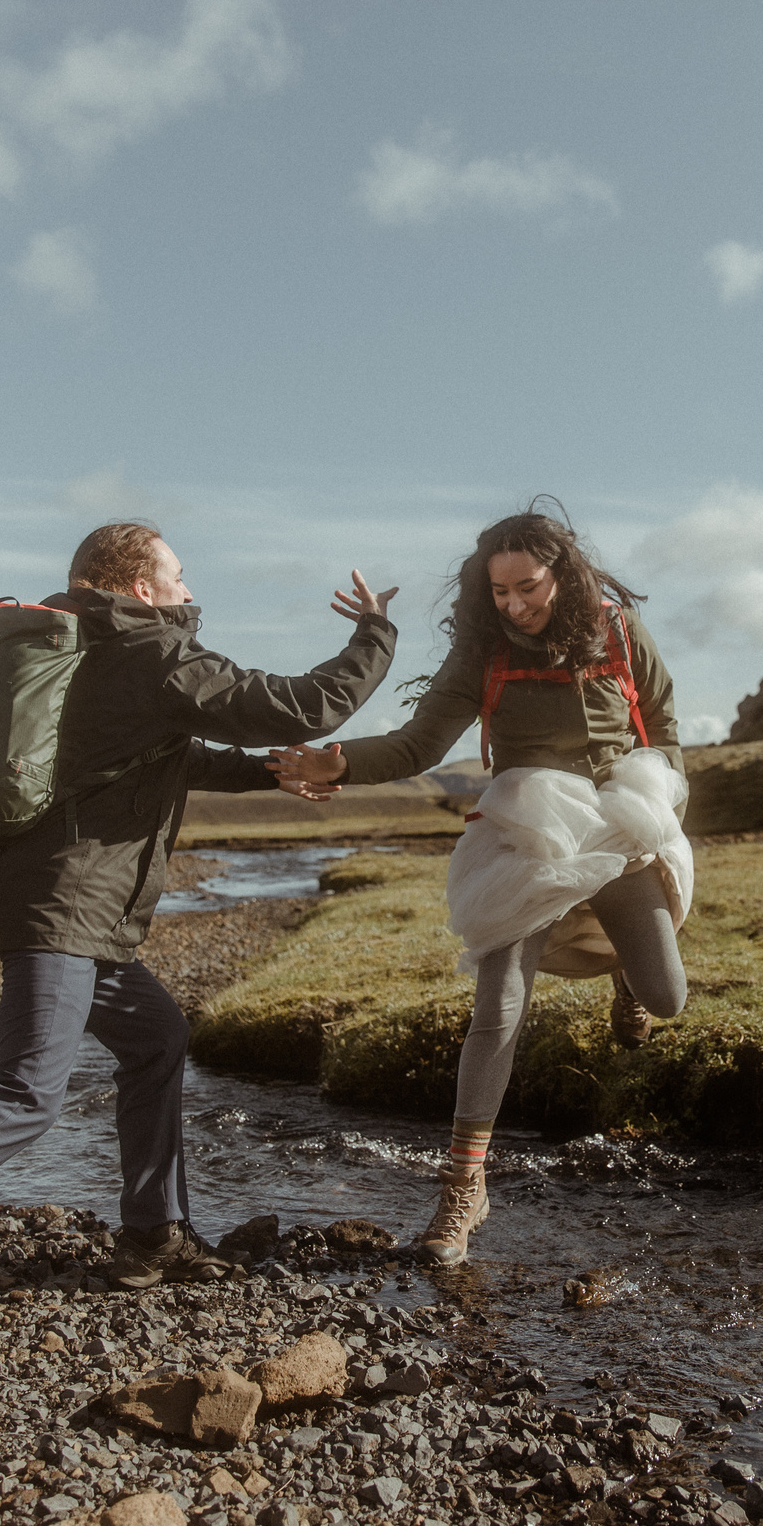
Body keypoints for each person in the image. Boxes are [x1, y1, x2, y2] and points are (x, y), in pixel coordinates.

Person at [0, 521, 397, 1375]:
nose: (187, 587)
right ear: (137, 584)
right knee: (25, 1092)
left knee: (157, 1036)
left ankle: (152, 1235)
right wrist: (374, 636)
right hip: (64, 906)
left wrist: (271, 773)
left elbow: (163, 758)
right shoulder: (148, 649)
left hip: (68, 903)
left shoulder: (91, 646)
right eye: (177, 574)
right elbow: (298, 704)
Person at [268, 504, 689, 1267]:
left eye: (526, 586)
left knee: (668, 996)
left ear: (561, 572)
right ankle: (463, 1190)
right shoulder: (483, 650)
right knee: (498, 1004)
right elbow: (419, 741)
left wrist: (666, 803)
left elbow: (661, 718)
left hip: (622, 820)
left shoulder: (619, 630)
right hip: (526, 828)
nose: (514, 604)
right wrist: (338, 761)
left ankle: (625, 973)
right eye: (499, 592)